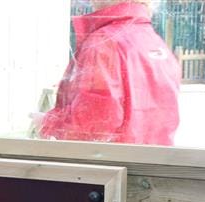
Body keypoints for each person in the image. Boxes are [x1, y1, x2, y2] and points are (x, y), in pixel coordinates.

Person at [37, 0, 181, 145]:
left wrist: (49, 123)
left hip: (114, 161)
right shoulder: (156, 44)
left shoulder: (105, 42)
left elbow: (93, 125)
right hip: (151, 162)